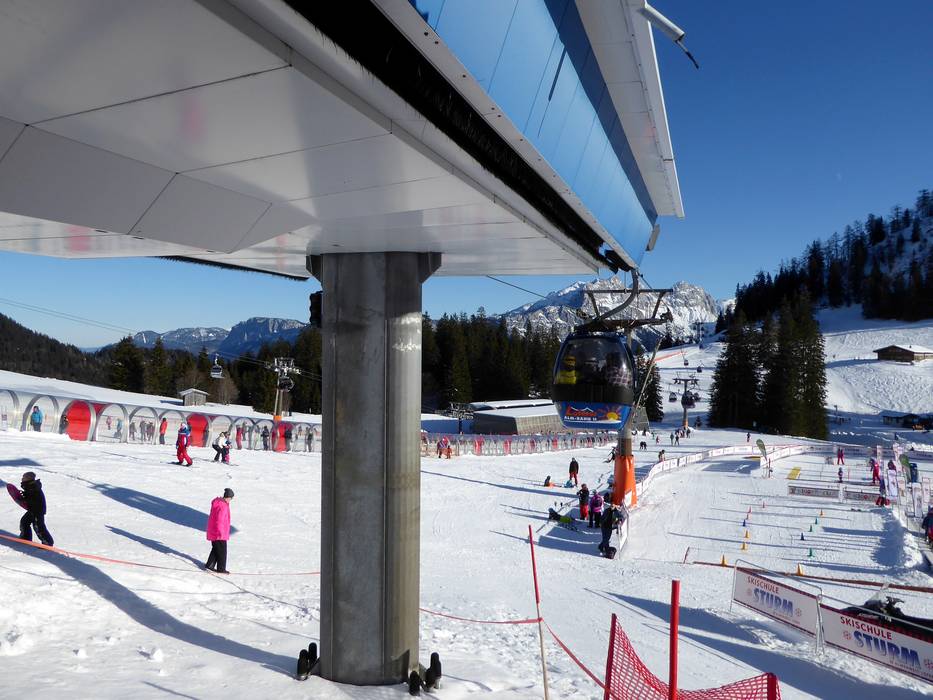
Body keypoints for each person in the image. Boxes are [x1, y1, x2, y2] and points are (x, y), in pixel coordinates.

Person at [17, 471, 54, 546]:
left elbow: (33, 499)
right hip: (32, 509)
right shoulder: (30, 485)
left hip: (38, 510)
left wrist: (23, 499)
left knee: (38, 527)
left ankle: (48, 543)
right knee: (24, 522)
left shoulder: (33, 487)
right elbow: (30, 496)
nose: (22, 478)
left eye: (24, 477)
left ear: (28, 478)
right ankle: (25, 539)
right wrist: (24, 494)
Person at [205, 488, 234, 574]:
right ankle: (221, 569)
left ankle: (209, 565)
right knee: (222, 551)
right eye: (231, 498)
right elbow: (220, 520)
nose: (231, 500)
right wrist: (220, 532)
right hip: (219, 532)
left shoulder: (218, 503)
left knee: (216, 548)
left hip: (214, 530)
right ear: (228, 497)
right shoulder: (223, 506)